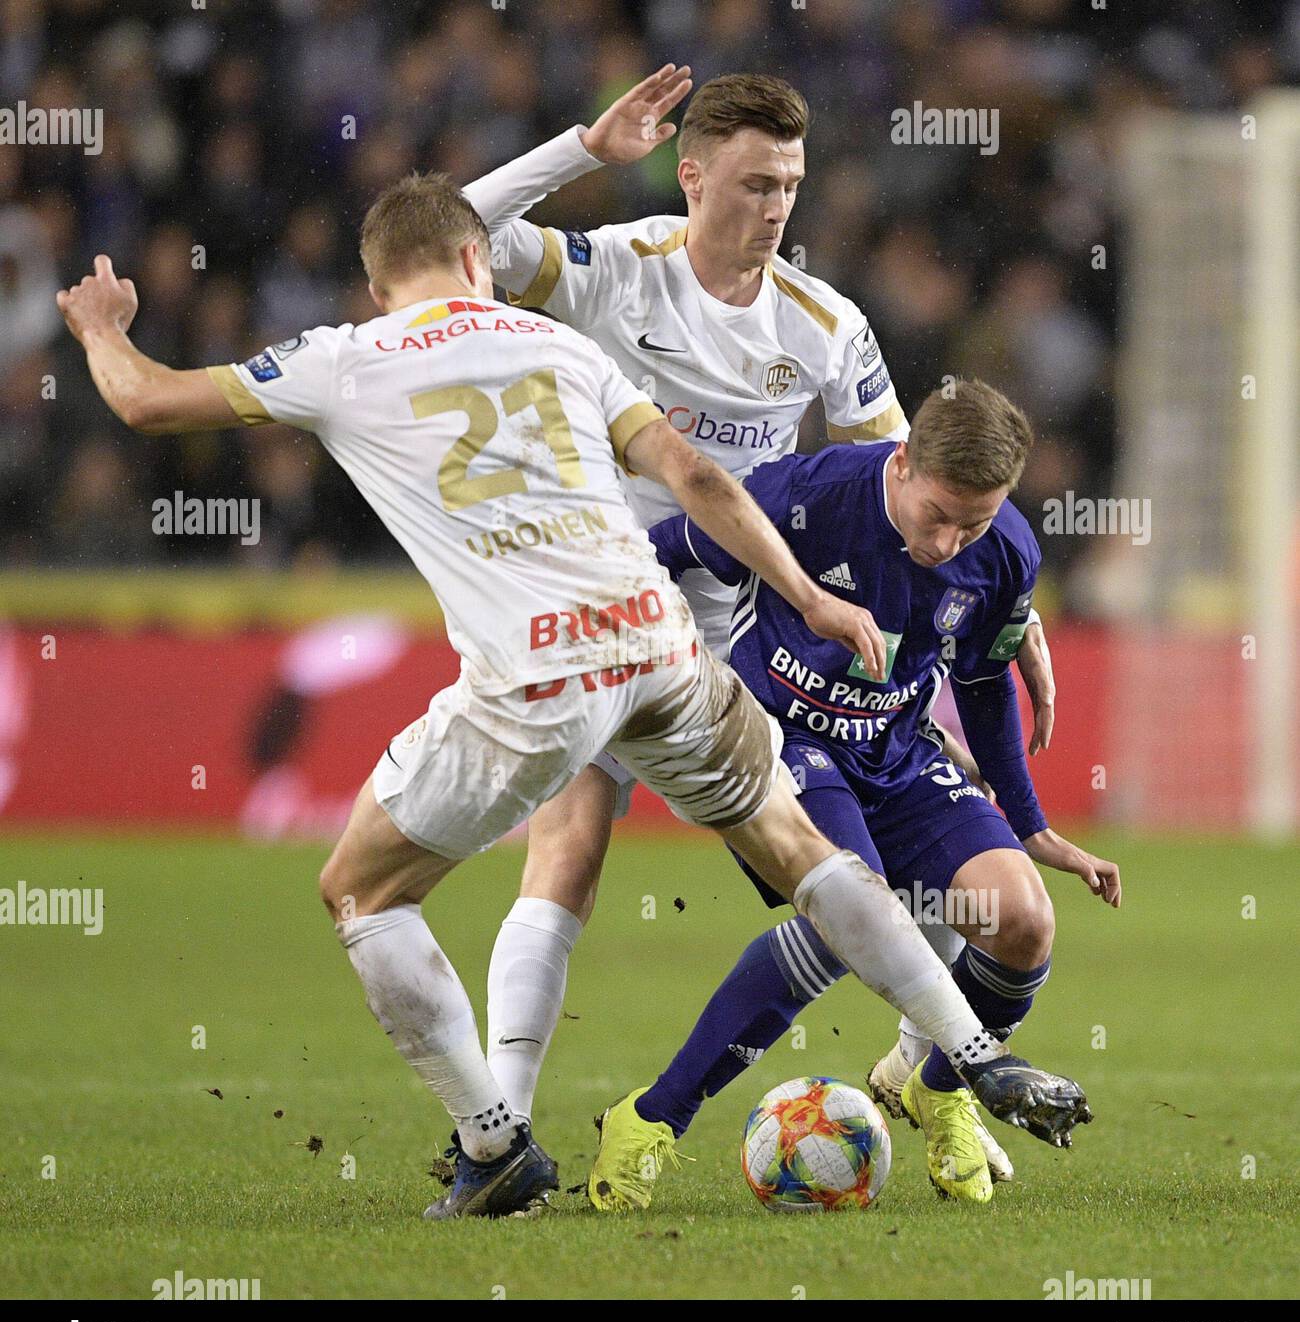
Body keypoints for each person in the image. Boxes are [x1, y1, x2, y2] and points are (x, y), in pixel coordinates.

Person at [56, 178, 1089, 1219]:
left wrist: (102, 328)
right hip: (663, 646)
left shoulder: (344, 356)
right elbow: (700, 479)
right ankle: (968, 1048)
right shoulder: (563, 349)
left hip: (538, 679)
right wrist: (809, 596)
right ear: (477, 261)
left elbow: (144, 397)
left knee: (363, 888)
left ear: (377, 289)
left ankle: (493, 1138)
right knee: (806, 854)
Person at [460, 67, 1059, 1132]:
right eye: (750, 183)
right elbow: (453, 234)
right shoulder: (614, 271)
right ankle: (499, 1126)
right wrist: (580, 153)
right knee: (567, 858)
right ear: (689, 177)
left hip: (737, 655)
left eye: (788, 183)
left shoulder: (825, 323)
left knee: (872, 892)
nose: (774, 206)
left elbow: (922, 512)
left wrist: (1010, 623)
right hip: (598, 611)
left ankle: (923, 1077)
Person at [587, 379, 1120, 1210]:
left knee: (1022, 921)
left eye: (973, 523)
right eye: (938, 515)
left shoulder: (1007, 548)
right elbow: (663, 552)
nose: (950, 543)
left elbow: (981, 681)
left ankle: (935, 1089)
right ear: (901, 465)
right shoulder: (802, 498)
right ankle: (651, 1118)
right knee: (848, 921)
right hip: (785, 743)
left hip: (900, 750)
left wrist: (1032, 825)